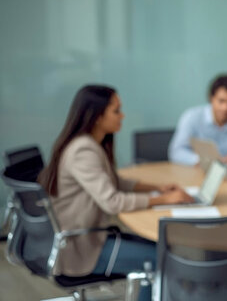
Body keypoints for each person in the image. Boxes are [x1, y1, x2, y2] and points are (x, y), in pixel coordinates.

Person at [39, 85, 194, 301]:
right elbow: (112, 202)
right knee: (162, 259)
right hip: (82, 248)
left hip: (91, 237)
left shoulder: (91, 144)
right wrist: (165, 199)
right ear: (96, 116)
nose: (122, 115)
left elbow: (115, 182)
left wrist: (157, 188)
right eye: (116, 110)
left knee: (162, 248)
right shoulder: (83, 150)